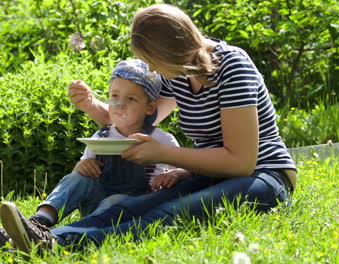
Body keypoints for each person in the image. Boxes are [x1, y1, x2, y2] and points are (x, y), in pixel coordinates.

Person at [0, 3, 297, 252]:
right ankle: (26, 239)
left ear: (170, 50)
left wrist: (164, 155)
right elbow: (131, 120)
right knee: (132, 207)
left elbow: (241, 162)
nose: (152, 70)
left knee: (166, 214)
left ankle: (56, 245)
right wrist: (91, 105)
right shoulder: (180, 74)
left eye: (152, 61)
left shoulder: (233, 66)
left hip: (265, 177)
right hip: (211, 175)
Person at [0, 59, 186, 252]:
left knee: (114, 200)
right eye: (115, 95)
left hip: (129, 209)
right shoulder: (101, 137)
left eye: (131, 99)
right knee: (77, 179)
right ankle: (39, 222)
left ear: (150, 108)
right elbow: (78, 177)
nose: (120, 104)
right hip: (95, 203)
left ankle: (54, 237)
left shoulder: (160, 139)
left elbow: (185, 168)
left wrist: (174, 174)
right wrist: (83, 167)